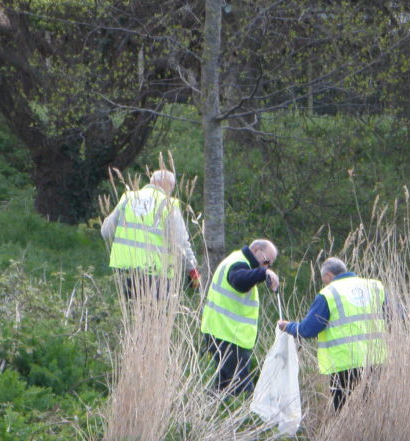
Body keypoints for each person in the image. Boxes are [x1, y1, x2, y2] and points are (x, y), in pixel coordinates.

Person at [278, 256, 386, 410]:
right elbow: (396, 315)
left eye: (324, 279)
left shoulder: (329, 293)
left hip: (343, 363)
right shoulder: (375, 287)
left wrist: (288, 327)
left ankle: (347, 435)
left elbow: (308, 329)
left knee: (343, 411)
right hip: (375, 359)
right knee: (371, 409)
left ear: (328, 275)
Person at [101, 168, 199, 298]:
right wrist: (192, 269)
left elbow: (106, 232)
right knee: (157, 315)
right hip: (157, 276)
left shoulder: (128, 198)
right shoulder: (167, 204)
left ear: (152, 181)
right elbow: (180, 243)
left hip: (128, 273)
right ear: (169, 185)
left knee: (132, 315)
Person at [201, 239, 280, 396]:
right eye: (265, 262)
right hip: (227, 336)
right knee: (239, 388)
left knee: (224, 387)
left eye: (269, 265)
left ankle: (207, 415)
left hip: (227, 335)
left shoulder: (239, 262)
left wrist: (262, 273)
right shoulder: (238, 263)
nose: (265, 266)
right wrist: (263, 273)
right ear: (256, 250)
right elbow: (240, 281)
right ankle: (242, 418)